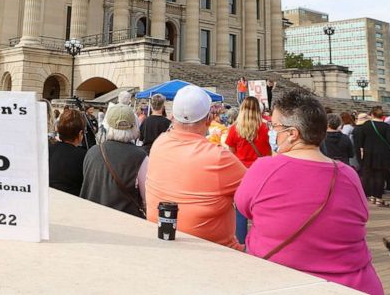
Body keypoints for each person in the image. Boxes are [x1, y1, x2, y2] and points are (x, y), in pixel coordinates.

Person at [235, 88, 384, 295]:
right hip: (354, 285)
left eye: (274, 126)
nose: (271, 131)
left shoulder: (264, 168)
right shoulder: (349, 174)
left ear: (292, 134)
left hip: (282, 281)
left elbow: (243, 208)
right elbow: (361, 217)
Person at [146, 84, 246, 248]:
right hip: (215, 251)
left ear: (172, 116)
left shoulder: (159, 143)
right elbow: (257, 193)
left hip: (164, 240)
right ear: (208, 119)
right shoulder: (218, 157)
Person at [80, 105, 147, 217]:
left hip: (91, 217)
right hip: (124, 221)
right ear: (133, 126)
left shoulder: (92, 151)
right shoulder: (140, 157)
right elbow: (147, 198)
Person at [226, 96, 273, 244]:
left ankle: (240, 242)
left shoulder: (234, 128)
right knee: (260, 209)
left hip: (241, 172)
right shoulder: (265, 128)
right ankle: (260, 242)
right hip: (261, 172)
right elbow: (270, 151)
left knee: (240, 209)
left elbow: (231, 152)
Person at [352, 105, 390, 207]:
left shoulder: (367, 125)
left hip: (369, 153)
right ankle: (378, 198)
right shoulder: (386, 126)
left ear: (372, 114)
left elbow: (361, 140)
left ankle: (371, 196)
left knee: (370, 175)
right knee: (380, 176)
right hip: (383, 154)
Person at [49, 108, 86, 196]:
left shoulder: (49, 149)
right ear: (80, 133)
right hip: (72, 204)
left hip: (49, 200)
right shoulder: (83, 156)